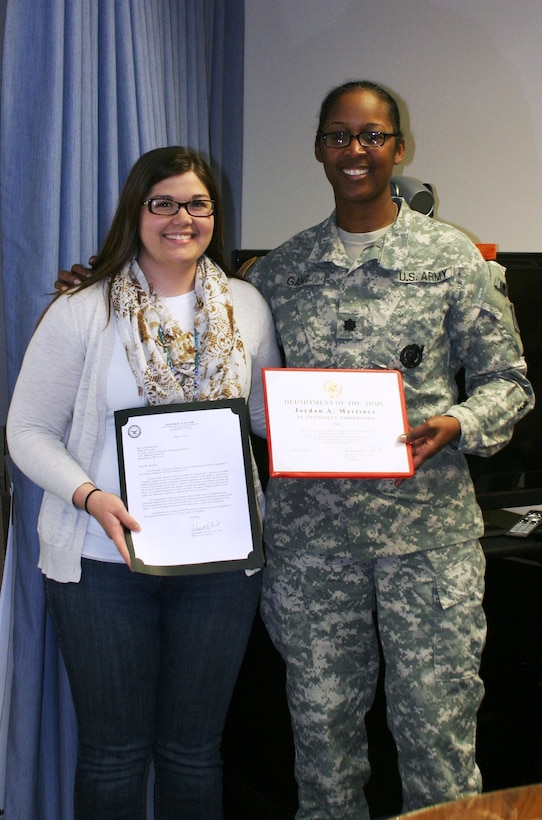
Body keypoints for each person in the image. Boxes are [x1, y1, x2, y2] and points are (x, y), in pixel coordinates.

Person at [56, 82, 535, 819]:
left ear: (397, 148)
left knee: (438, 742)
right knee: (321, 747)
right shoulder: (277, 274)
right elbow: (200, 326)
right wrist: (101, 284)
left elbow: (510, 383)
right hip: (313, 549)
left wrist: (460, 426)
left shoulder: (455, 261)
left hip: (427, 542)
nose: (355, 151)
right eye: (339, 136)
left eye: (372, 137)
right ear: (319, 148)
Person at [7, 146, 281, 819]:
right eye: (163, 203)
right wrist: (91, 498)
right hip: (105, 562)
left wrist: (349, 419)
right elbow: (27, 429)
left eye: (197, 204)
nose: (181, 218)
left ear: (215, 214)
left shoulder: (247, 306)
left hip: (219, 562)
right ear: (137, 211)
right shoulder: (84, 310)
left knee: (194, 752)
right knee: (115, 753)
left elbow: (264, 416)